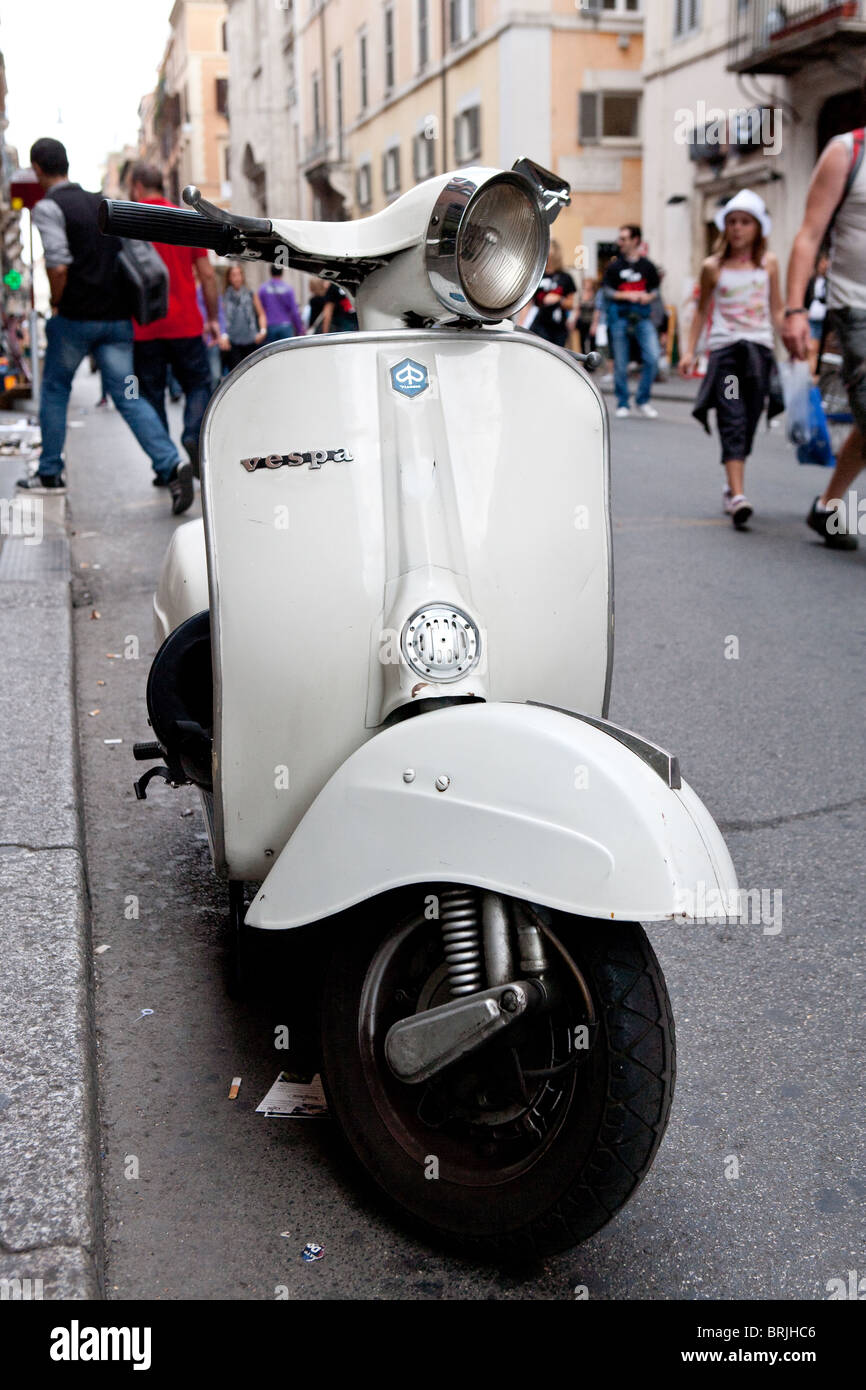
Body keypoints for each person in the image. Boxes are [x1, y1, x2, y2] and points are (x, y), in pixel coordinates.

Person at [17, 138, 192, 514]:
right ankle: (170, 464)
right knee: (129, 396)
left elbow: (59, 264)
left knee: (55, 389)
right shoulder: (102, 203)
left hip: (75, 322)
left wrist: (60, 302)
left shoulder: (48, 207)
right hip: (116, 324)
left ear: (38, 169)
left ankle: (50, 471)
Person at [784, 108, 866, 550]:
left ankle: (828, 506)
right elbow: (809, 236)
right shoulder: (847, 151)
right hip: (857, 308)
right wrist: (795, 309)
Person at [678, 189, 784, 529]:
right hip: (727, 357)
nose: (738, 228)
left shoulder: (769, 264)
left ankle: (731, 485)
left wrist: (799, 349)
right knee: (732, 414)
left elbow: (778, 309)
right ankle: (739, 496)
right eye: (732, 222)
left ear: (758, 228)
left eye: (745, 222)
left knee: (751, 417)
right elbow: (700, 312)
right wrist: (689, 350)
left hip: (760, 352)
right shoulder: (713, 267)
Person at [127, 162, 219, 480]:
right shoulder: (187, 219)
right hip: (186, 325)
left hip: (145, 327)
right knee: (198, 385)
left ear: (138, 186)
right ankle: (192, 433)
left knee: (150, 394)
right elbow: (207, 276)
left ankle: (168, 464)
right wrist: (213, 318)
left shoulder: (129, 220)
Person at [603, 225, 661, 418]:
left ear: (635, 240)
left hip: (643, 317)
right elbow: (608, 291)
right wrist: (627, 294)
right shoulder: (614, 266)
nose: (620, 242)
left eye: (624, 238)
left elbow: (655, 291)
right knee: (620, 362)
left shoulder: (647, 266)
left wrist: (648, 297)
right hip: (620, 317)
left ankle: (643, 400)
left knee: (652, 358)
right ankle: (622, 402)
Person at [526, 240, 576, 348]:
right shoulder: (537, 276)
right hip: (539, 323)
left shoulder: (565, 278)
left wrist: (558, 299)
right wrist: (521, 324)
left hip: (558, 327)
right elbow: (528, 304)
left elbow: (571, 304)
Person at [220, 264, 267, 369]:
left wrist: (263, 331)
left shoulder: (250, 293)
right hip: (233, 341)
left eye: (239, 274)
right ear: (229, 277)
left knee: (251, 370)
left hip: (250, 339)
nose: (237, 278)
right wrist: (223, 335)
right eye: (233, 275)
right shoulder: (224, 296)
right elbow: (221, 317)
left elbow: (261, 314)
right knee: (236, 371)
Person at [258, 266, 305, 342]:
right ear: (282, 272)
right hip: (286, 327)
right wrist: (299, 329)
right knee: (287, 353)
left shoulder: (263, 289)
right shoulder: (288, 289)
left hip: (270, 327)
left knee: (271, 353)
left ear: (270, 272)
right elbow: (294, 311)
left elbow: (259, 310)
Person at [804, 250, 829, 373]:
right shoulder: (812, 279)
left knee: (814, 348)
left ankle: (812, 373)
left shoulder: (828, 282)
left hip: (821, 318)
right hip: (810, 315)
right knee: (807, 348)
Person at [572, 276, 597, 355]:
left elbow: (597, 310)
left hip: (591, 321)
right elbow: (577, 309)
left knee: (592, 343)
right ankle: (584, 359)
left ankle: (591, 363)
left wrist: (595, 324)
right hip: (582, 321)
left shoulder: (595, 295)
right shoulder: (580, 294)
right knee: (582, 342)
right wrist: (573, 320)